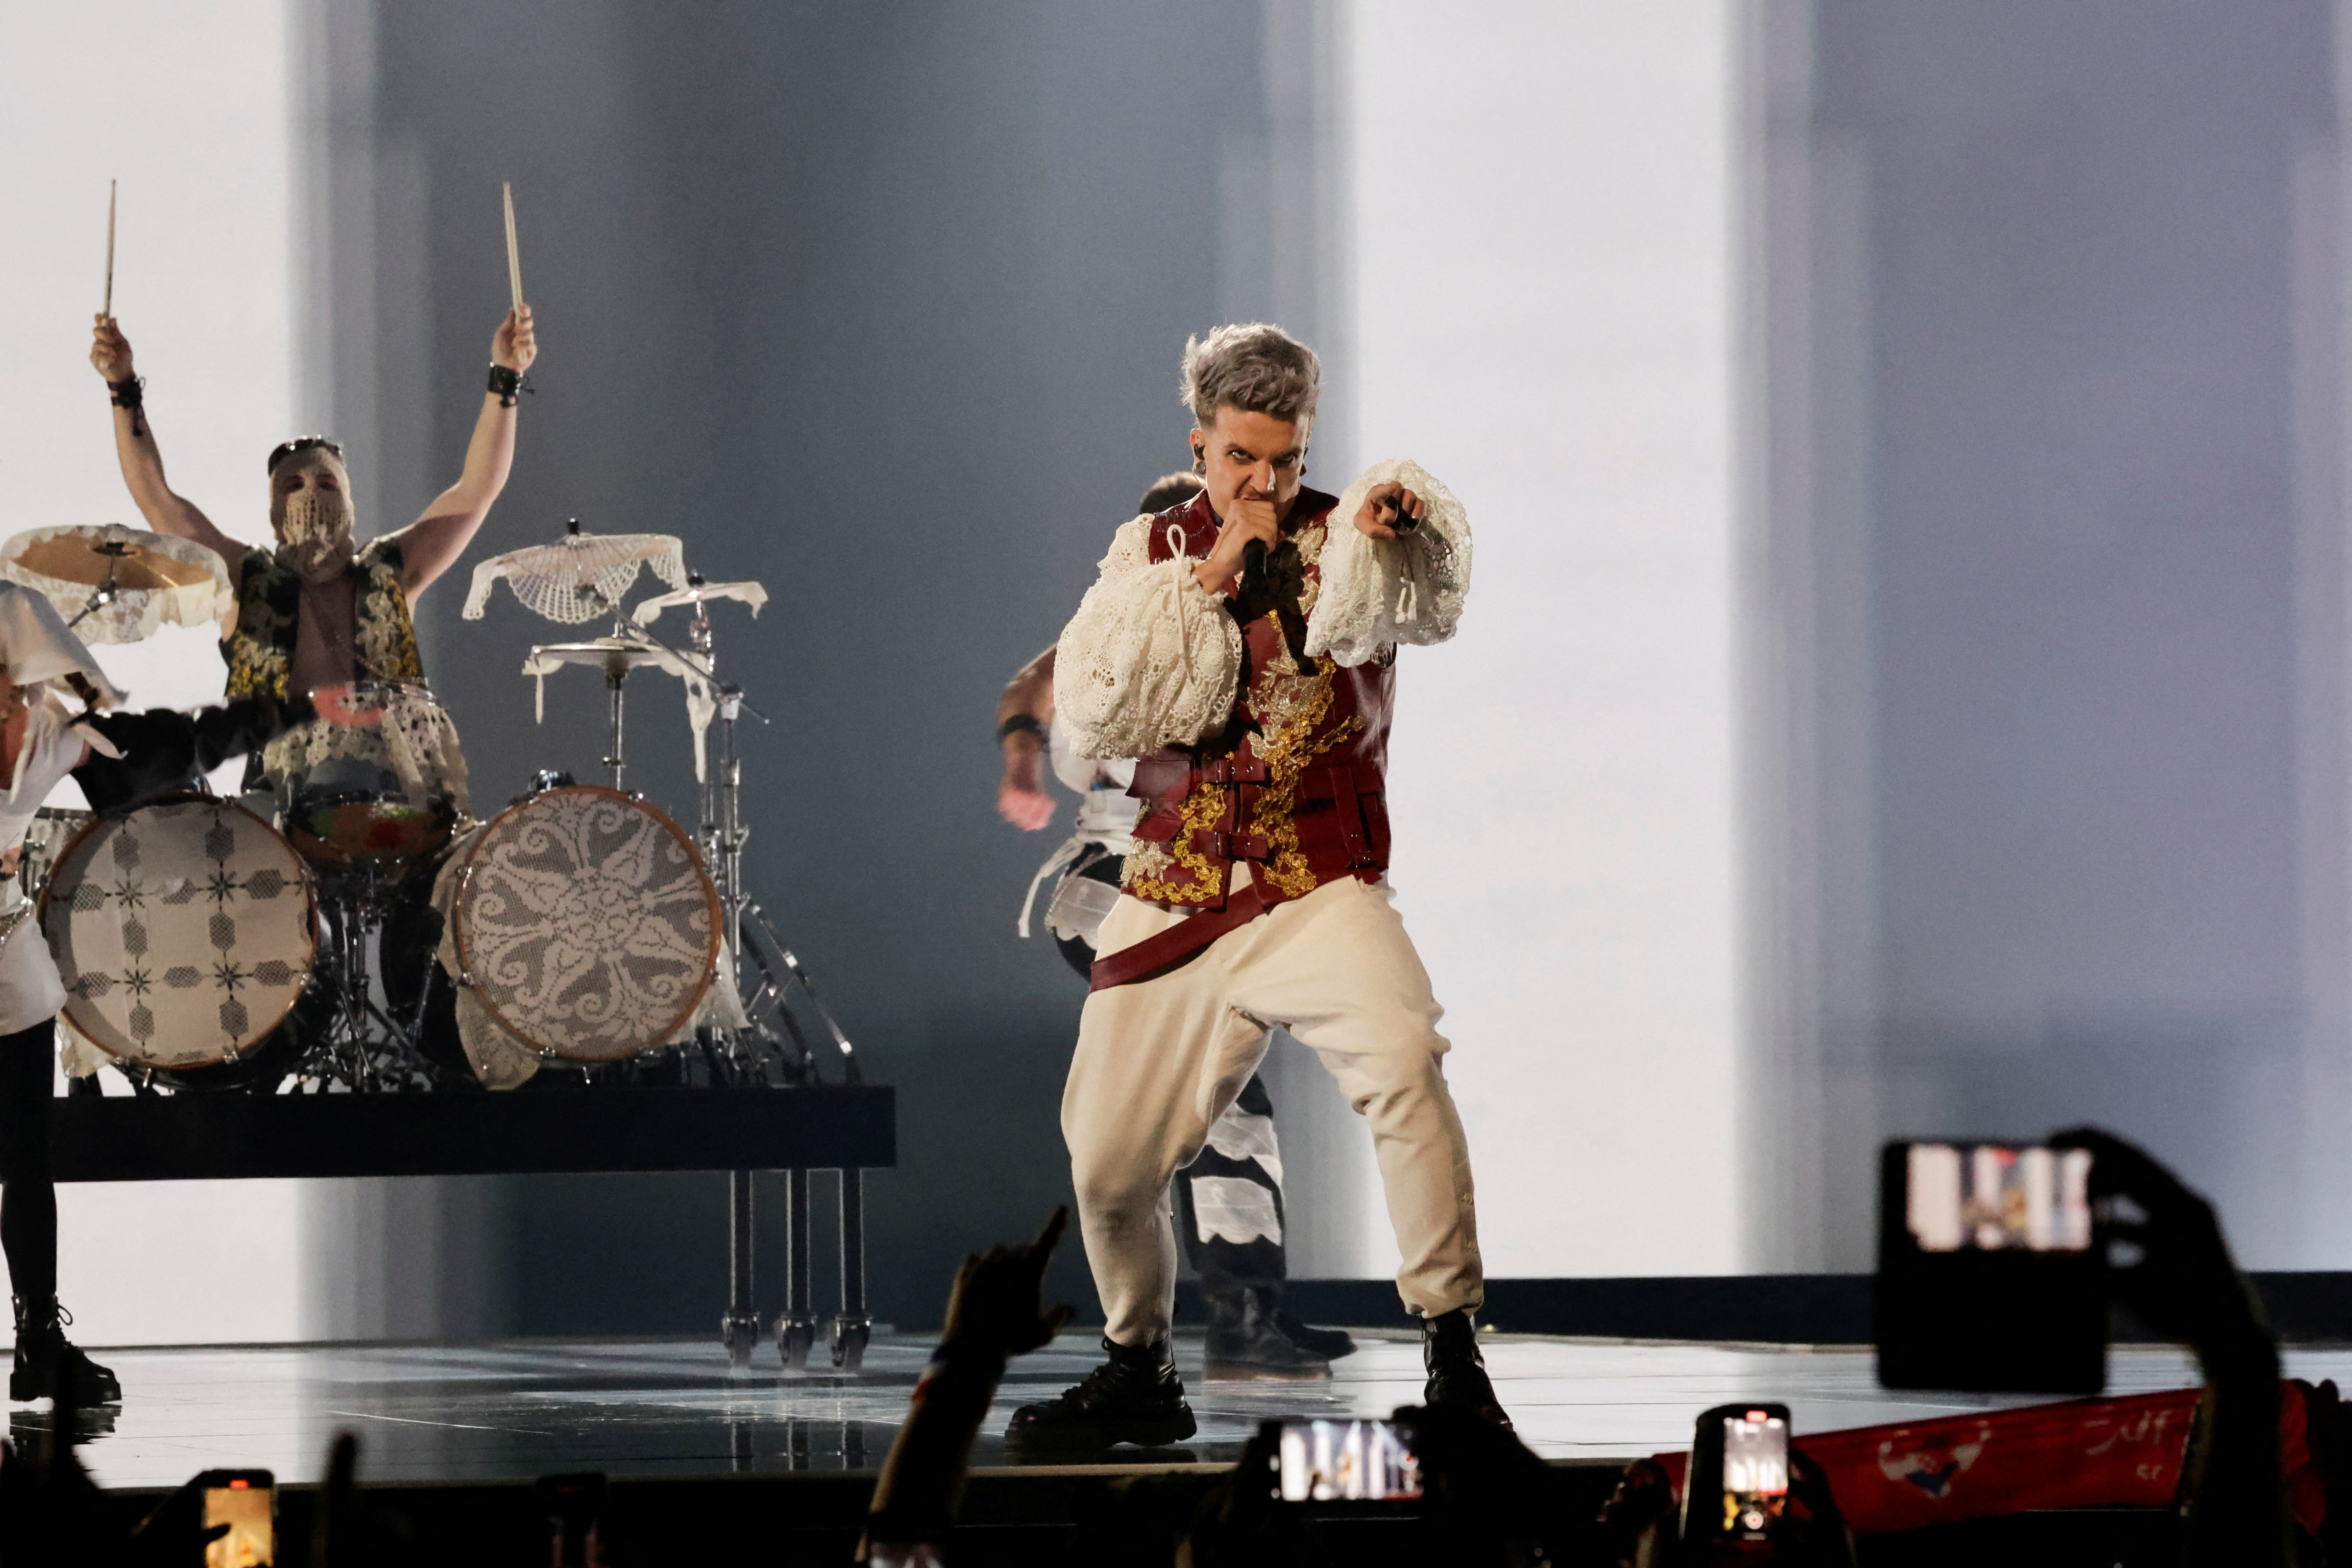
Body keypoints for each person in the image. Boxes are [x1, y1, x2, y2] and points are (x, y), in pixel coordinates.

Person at [1008, 323, 1495, 1453]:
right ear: (1202, 443)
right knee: (1107, 1153)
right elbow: (1099, 705)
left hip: (1314, 885)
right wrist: (1219, 565)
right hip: (1181, 884)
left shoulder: (1353, 539)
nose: (1264, 482)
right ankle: (1139, 1365)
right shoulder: (1153, 551)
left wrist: (1394, 526)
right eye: (1241, 458)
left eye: (1283, 459)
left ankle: (1455, 1356)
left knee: (1407, 1066)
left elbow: (1414, 598)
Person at [1000, 468, 1355, 1380]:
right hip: (1116, 881)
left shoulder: (1248, 623)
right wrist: (1028, 758)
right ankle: (1229, 1315)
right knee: (1221, 1094)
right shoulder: (1130, 622)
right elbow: (1041, 692)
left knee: (1227, 1094)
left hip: (1182, 883)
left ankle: (1243, 1308)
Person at [0, 585, 302, 1405]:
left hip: (5, 955)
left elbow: (176, 747)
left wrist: (285, 711)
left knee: (26, 1157)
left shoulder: (52, 735)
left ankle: (38, 1340)